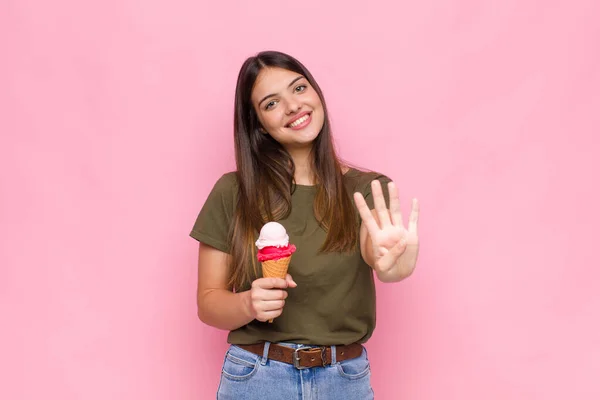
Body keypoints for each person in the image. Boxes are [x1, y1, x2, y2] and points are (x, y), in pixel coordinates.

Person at [190, 50, 420, 399]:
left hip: (344, 380)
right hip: (256, 379)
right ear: (258, 124)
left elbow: (383, 258)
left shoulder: (367, 190)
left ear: (315, 92)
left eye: (298, 88)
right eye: (271, 103)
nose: (293, 106)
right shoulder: (233, 192)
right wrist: (248, 305)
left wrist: (396, 263)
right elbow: (208, 303)